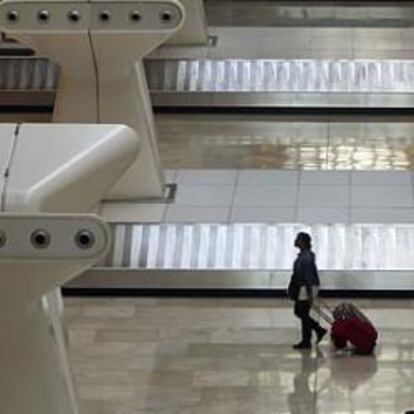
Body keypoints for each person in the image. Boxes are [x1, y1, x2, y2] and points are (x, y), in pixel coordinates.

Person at [288, 232, 327, 350]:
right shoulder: (304, 255)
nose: (295, 241)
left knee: (301, 312)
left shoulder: (307, 257)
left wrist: (309, 293)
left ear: (303, 242)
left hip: (307, 287)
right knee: (301, 312)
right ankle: (311, 336)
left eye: (297, 239)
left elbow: (308, 276)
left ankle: (314, 334)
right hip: (305, 287)